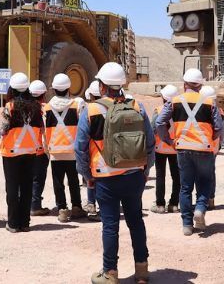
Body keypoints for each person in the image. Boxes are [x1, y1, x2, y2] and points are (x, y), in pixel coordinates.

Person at [75, 62, 154, 284]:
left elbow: (80, 147)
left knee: (110, 225)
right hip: (134, 176)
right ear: (120, 85)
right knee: (136, 221)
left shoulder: (91, 110)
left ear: (101, 86)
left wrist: (87, 176)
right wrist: (146, 169)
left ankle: (110, 273)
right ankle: (142, 271)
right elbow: (150, 141)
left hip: (105, 177)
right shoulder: (136, 106)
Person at [156, 68, 223, 236]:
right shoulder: (209, 103)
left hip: (183, 149)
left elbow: (159, 122)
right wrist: (209, 139)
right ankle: (200, 209)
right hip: (204, 149)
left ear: (184, 84)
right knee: (205, 182)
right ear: (200, 85)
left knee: (185, 187)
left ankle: (187, 224)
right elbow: (218, 127)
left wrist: (168, 140)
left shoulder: (175, 101)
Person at [0, 72, 43, 233]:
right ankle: (25, 222)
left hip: (11, 153)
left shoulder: (9, 107)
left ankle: (12, 223)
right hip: (30, 151)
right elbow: (41, 129)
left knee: (12, 188)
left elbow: (2, 131)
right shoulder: (37, 107)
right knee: (26, 187)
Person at [44, 73, 87, 223]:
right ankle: (76, 207)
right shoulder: (76, 105)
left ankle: (62, 210)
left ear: (54, 89)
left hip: (55, 151)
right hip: (72, 151)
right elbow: (82, 128)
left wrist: (46, 150)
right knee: (74, 180)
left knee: (58, 182)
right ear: (69, 88)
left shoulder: (47, 108)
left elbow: (44, 131)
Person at [150, 84, 180, 214]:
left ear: (163, 97)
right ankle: (174, 204)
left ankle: (160, 205)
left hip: (160, 149)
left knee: (160, 176)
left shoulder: (159, 110)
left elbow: (152, 129)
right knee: (176, 177)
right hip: (175, 148)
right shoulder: (180, 111)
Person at [29, 79, 52, 217]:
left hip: (26, 149)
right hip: (41, 149)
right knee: (38, 179)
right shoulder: (46, 108)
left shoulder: (24, 107)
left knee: (27, 178)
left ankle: (27, 204)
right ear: (43, 94)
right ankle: (35, 205)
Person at [82, 80, 101, 220]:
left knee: (91, 180)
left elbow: (82, 137)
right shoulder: (114, 106)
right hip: (111, 152)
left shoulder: (89, 110)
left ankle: (91, 205)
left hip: (93, 152)